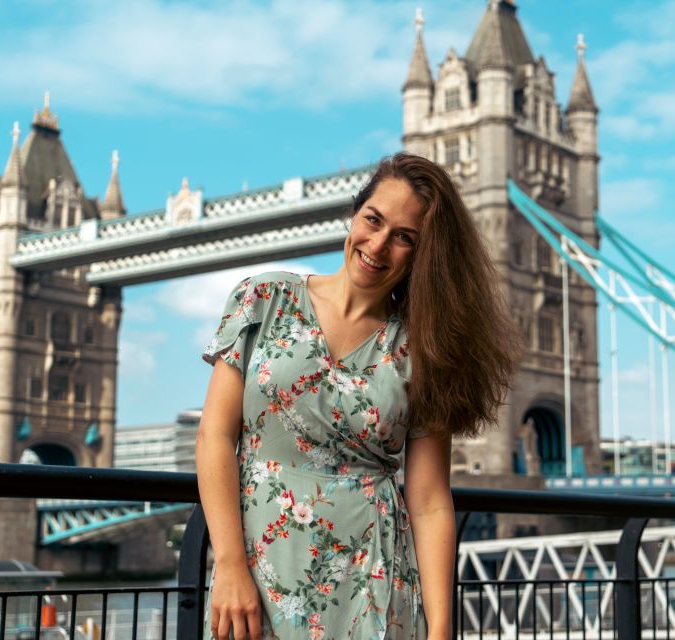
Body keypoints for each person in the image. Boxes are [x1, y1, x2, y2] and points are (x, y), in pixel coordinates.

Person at [196, 152, 521, 640]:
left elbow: (430, 499)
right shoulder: (262, 300)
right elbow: (214, 437)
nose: (379, 244)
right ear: (354, 214)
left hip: (376, 585)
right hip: (254, 582)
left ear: (422, 254)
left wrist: (441, 631)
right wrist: (229, 564)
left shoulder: (425, 349)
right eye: (373, 220)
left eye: (404, 238)